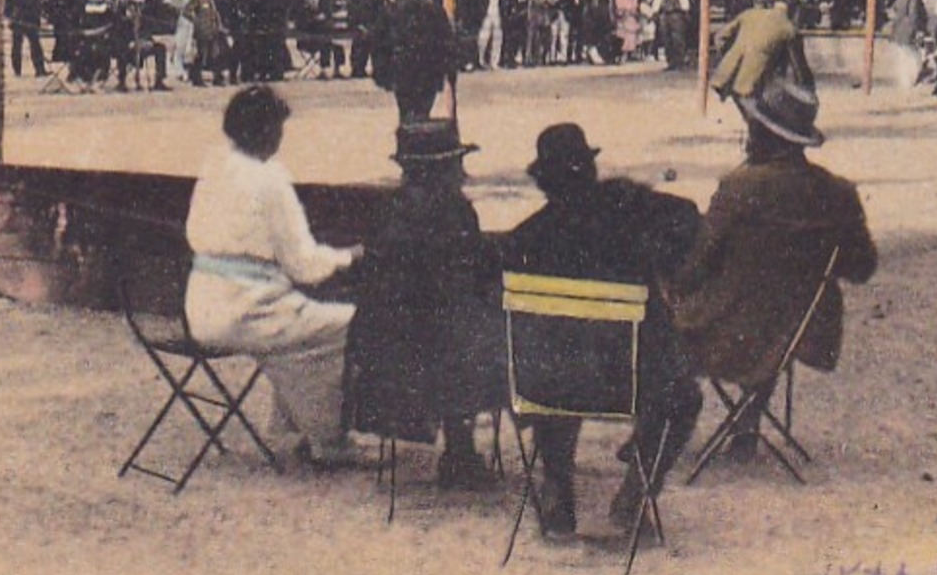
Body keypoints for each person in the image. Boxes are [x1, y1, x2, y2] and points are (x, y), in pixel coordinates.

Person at [501, 124, 705, 537]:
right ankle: (635, 493)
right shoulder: (627, 212)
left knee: (551, 361)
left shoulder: (528, 237)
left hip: (547, 387)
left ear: (544, 181)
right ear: (590, 169)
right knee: (684, 398)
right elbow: (687, 217)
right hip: (631, 382)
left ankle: (557, 485)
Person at [671, 84, 877, 463]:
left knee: (669, 313)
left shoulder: (740, 187)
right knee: (768, 308)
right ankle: (747, 421)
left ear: (763, 135)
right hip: (802, 330)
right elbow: (863, 267)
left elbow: (697, 264)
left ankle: (658, 432)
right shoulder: (838, 192)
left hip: (729, 328)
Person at [183, 86, 365, 468]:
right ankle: (328, 439)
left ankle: (297, 427)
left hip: (202, 307)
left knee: (302, 331)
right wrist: (346, 257)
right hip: (246, 311)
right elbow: (304, 265)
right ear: (266, 131)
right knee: (350, 325)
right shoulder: (270, 179)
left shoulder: (214, 165)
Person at [344, 120, 504, 489]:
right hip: (433, 351)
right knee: (475, 330)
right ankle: (460, 450)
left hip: (383, 348)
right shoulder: (456, 212)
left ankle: (458, 448)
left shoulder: (387, 210)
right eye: (456, 165)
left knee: (454, 327)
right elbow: (478, 280)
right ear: (444, 170)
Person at [709, 0, 814, 112]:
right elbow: (800, 70)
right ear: (794, 7)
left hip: (727, 78)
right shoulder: (789, 29)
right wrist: (810, 94)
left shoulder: (749, 14)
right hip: (755, 87)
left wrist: (732, 56)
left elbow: (720, 37)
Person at [376, 0, 457, 123]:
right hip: (429, 70)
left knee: (406, 113)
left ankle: (407, 141)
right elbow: (447, 43)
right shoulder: (435, 11)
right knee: (423, 113)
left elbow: (380, 42)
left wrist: (382, 73)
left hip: (402, 69)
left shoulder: (393, 9)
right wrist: (450, 71)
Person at [886, 0, 927, 89]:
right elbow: (913, 15)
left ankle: (905, 81)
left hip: (899, 29)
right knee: (913, 56)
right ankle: (912, 80)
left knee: (903, 57)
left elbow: (892, 11)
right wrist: (918, 30)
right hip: (909, 29)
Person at [6, 0, 49, 78]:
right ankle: (17, 70)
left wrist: (38, 17)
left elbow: (36, 3)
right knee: (17, 45)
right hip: (18, 19)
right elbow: (9, 3)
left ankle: (40, 69)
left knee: (35, 44)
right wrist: (11, 15)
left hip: (31, 19)